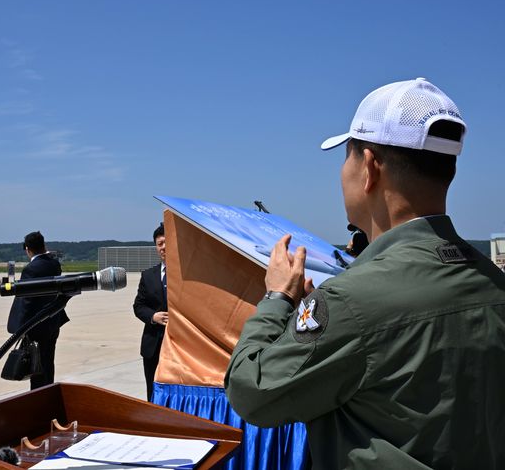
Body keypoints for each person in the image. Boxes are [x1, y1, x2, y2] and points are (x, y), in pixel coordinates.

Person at [225, 78, 505, 468]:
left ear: (370, 167)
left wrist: (277, 299)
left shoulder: (349, 300)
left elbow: (252, 393)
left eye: (347, 156)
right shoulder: (492, 282)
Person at [6, 231, 69, 390]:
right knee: (47, 363)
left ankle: (38, 396)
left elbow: (27, 301)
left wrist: (20, 327)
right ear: (44, 245)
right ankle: (47, 392)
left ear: (28, 249)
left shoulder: (31, 269)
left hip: (36, 326)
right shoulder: (54, 264)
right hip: (52, 323)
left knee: (36, 368)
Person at [133, 223, 168, 401]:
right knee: (152, 391)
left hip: (178, 345)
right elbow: (138, 306)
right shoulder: (148, 275)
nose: (163, 247)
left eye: (166, 242)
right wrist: (153, 317)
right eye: (159, 243)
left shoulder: (185, 274)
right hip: (153, 344)